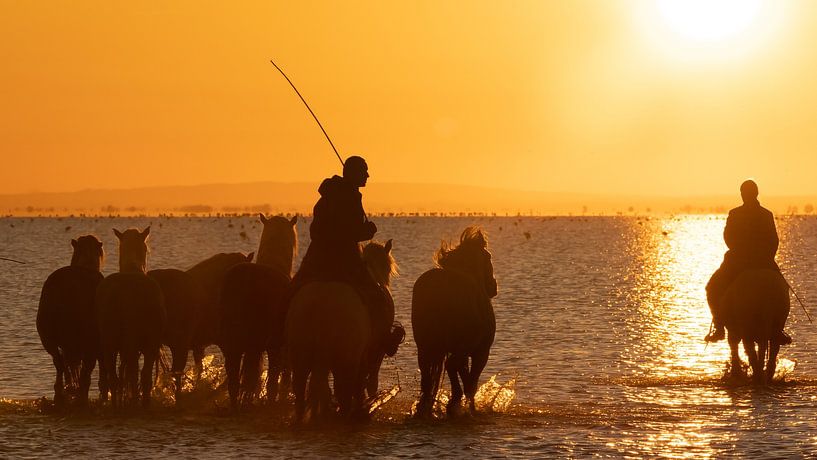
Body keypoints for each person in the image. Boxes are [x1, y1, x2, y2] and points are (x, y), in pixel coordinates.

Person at [290, 156, 404, 355]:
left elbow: (316, 230)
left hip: (316, 258)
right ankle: (384, 339)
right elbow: (348, 233)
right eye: (364, 171)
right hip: (346, 259)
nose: (368, 175)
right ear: (353, 173)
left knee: (292, 290)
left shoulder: (326, 196)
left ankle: (276, 334)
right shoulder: (350, 198)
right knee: (376, 296)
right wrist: (368, 231)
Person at [704, 179, 791, 344]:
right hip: (764, 262)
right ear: (756, 194)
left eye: (744, 193)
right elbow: (774, 240)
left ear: (743, 195)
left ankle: (719, 327)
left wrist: (740, 251)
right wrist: (767, 257)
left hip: (738, 262)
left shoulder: (735, 214)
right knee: (782, 288)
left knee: (713, 288)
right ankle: (778, 330)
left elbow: (728, 237)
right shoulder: (766, 214)